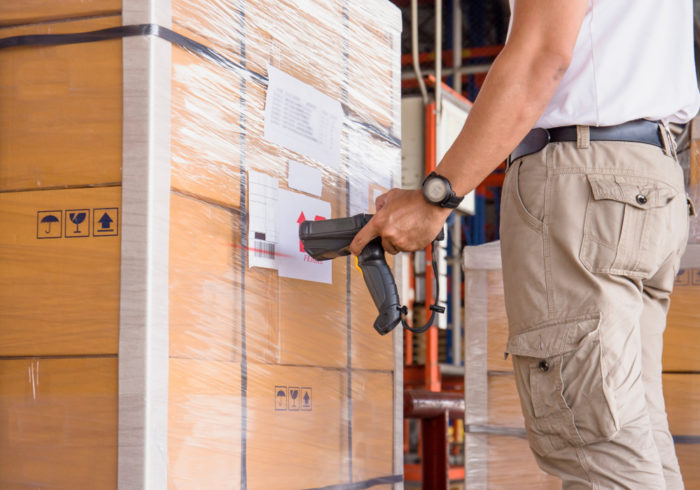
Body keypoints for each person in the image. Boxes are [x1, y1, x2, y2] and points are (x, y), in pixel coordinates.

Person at [349, 0, 700, 487]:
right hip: (649, 179)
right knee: (629, 435)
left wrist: (437, 197)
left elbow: (541, 54)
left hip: (587, 184)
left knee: (595, 444)